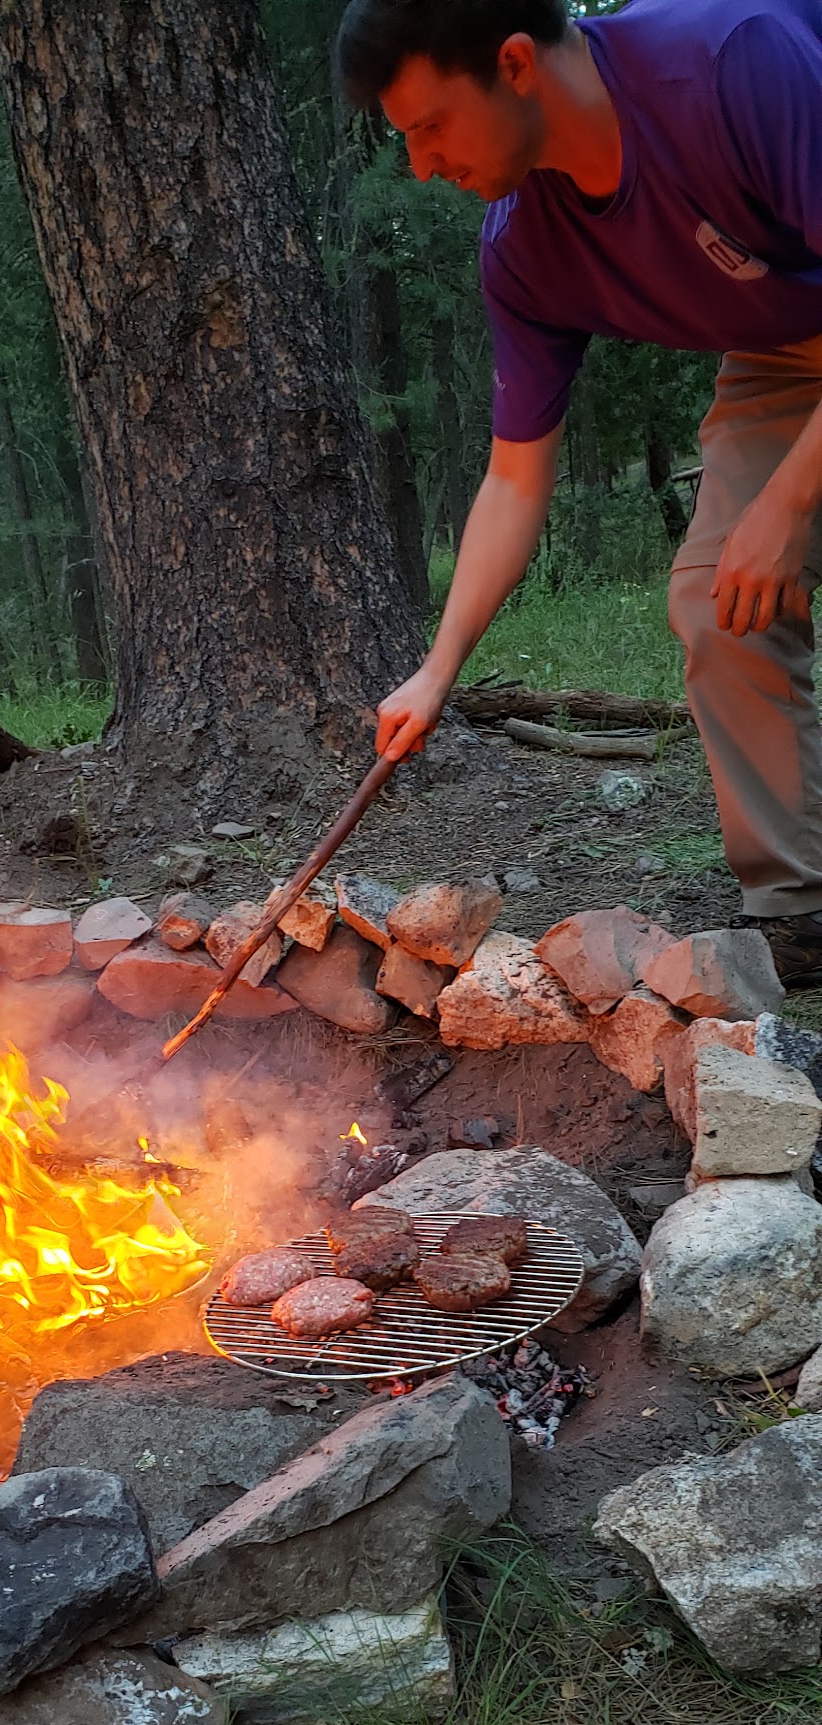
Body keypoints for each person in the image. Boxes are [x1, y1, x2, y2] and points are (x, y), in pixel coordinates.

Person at [335, 0, 822, 987]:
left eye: (430, 128)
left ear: (514, 63)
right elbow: (515, 476)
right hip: (788, 359)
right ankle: (801, 905)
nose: (423, 166)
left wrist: (783, 505)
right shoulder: (524, 248)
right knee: (714, 599)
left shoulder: (734, 67)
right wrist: (438, 669)